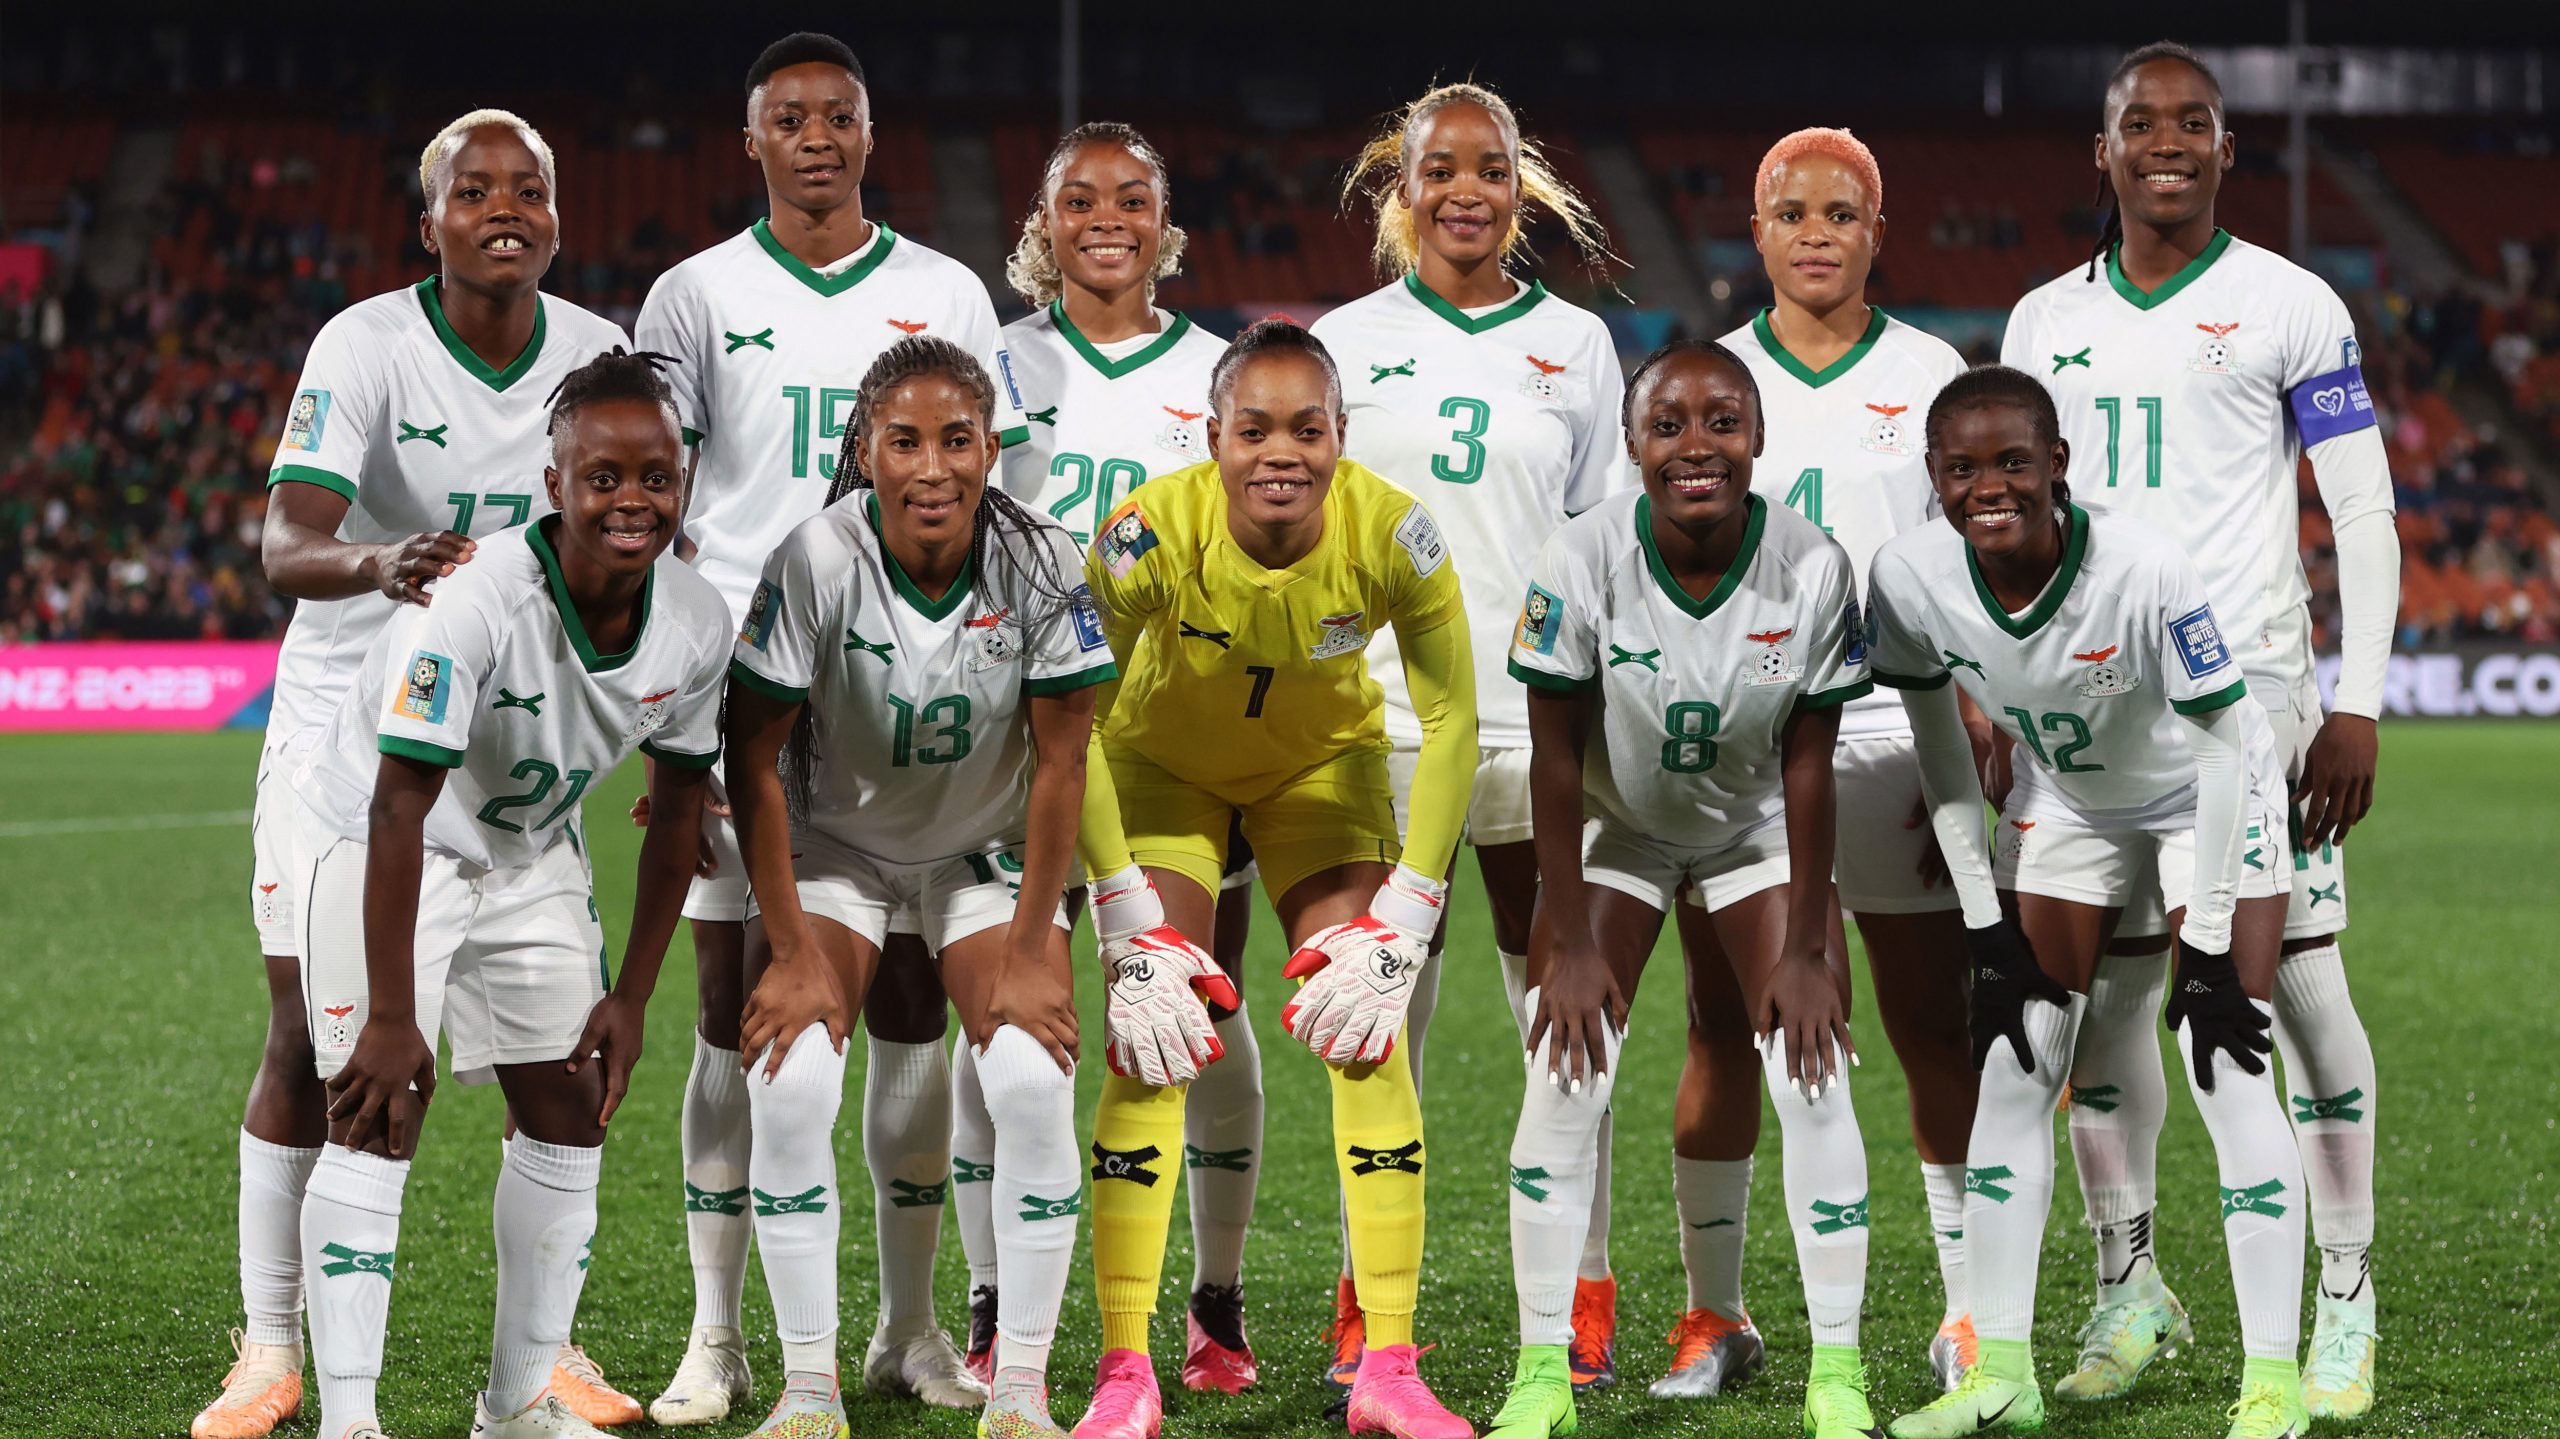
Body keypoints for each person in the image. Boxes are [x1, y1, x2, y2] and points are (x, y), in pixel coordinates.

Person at [201, 108, 637, 1439]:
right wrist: (377, 564)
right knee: (309, 1029)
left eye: (530, 189)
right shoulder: (368, 343)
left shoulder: (594, 357)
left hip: (509, 743)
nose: (504, 206)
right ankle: (270, 1346)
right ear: (429, 217)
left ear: (557, 218)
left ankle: (542, 1356)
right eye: (473, 188)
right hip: (346, 725)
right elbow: (286, 539)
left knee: (552, 1059)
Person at [635, 32, 1025, 1423]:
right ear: (751, 142)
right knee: (737, 1016)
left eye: (839, 117)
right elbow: (654, 505)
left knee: (911, 1012)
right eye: (788, 119)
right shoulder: (693, 294)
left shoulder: (946, 293)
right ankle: (715, 1337)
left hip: (909, 714)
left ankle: (906, 1327)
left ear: (872, 133)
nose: (816, 137)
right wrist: (676, 711)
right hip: (747, 706)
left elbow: (999, 506)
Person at [2001, 42, 2395, 1417]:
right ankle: (2132, 1282)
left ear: (2228, 150)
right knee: (2097, 1010)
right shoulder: (2043, 320)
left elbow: (2362, 512)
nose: (2165, 142)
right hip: (2088, 717)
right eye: (2137, 123)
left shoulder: (2291, 303)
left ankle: (2341, 1295)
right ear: (2099, 151)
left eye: (2194, 124)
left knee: (2290, 994)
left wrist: (2356, 698)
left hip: (2250, 712)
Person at [287, 349, 730, 1439]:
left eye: (656, 476)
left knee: (568, 1109)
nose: (633, 500)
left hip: (528, 851)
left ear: (682, 481)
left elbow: (678, 816)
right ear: (555, 485)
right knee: (373, 1108)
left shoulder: (697, 622)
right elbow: (400, 803)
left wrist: (629, 997)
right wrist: (395, 1017)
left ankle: (516, 1406)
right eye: (604, 476)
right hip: (388, 840)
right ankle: (351, 1420)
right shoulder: (476, 599)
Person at [1872, 365, 2311, 1439]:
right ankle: (2003, 1373)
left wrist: (2203, 944)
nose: (1989, 485)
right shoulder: (1908, 573)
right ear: (1932, 477)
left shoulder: (2147, 566)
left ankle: (2271, 1378)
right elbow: (1938, 752)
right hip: (2066, 801)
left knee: (2226, 1056)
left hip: (2201, 794)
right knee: (2012, 1064)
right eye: (1962, 467)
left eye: (2012, 461)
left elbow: (2218, 747)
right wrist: (1982, 921)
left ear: (2056, 464)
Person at [1074, 320, 1477, 1439]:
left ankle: (1388, 1363)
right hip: (1162, 770)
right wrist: (1121, 912)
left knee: (1365, 1020)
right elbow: (1069, 720)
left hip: (1320, 770)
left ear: (1341, 436)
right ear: (1212, 436)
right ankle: (1126, 1369)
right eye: (1252, 428)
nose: (1280, 451)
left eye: (1307, 427)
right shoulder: (1147, 532)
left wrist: (1409, 908)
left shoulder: (1395, 531)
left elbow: (1451, 720)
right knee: (1156, 1025)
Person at [720, 337, 1111, 1439]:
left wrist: (1039, 943)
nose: (932, 467)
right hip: (837, 848)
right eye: (905, 441)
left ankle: (1023, 1391)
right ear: (865, 451)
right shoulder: (813, 555)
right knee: (789, 1077)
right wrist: (793, 948)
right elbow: (750, 755)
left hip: (979, 853)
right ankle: (809, 1387)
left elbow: (1065, 760)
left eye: (956, 440)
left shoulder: (1043, 559)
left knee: (1032, 1080)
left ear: (992, 448)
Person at [1312, 79, 1627, 1399]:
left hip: (1535, 726)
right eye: (1438, 170)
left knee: (1564, 1011)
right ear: (1404, 191)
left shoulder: (1579, 348)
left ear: (1522, 187)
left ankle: (1586, 1293)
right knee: (1378, 1023)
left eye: (1489, 169)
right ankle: (1367, 1303)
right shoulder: (1338, 341)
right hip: (1377, 727)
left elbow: (1606, 547)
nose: (1465, 191)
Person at [1500, 338, 1877, 1439]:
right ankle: (1537, 1369)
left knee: (1813, 1073)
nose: (1695, 445)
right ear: (1631, 444)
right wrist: (1563, 936)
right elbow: (1554, 759)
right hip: (1621, 827)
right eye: (1668, 425)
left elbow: (1810, 763)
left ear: (1757, 436)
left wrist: (1810, 943)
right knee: (1563, 1068)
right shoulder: (1578, 555)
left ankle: (1837, 1368)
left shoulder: (1813, 563)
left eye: (1721, 421)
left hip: (1753, 825)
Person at [1678, 126, 1979, 1397]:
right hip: (1742, 757)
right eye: (1789, 210)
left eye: (1840, 212)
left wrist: (1976, 709)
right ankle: (1717, 1315)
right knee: (1723, 1029)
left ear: (1875, 230)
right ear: (1755, 230)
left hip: (1897, 738)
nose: (1814, 230)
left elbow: (1965, 558)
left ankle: (1971, 1309)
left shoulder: (1929, 371)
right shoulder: (1713, 376)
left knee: (1928, 1028)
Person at [984, 120, 1264, 1395]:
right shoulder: (992, 367)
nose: (1108, 217)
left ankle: (1213, 1298)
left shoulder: (1223, 371)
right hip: (1015, 731)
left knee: (1199, 1005)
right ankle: (1001, 1296)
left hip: (1180, 737)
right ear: (1043, 226)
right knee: (1012, 1010)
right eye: (1080, 199)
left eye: (1133, 198)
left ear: (1166, 224)